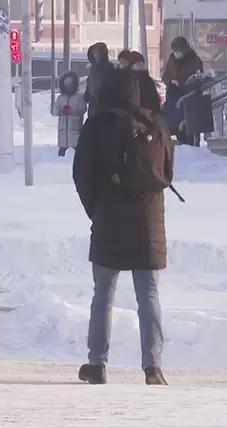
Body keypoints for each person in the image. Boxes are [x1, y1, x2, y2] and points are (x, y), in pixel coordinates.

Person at [72, 69, 173, 386]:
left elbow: (82, 176)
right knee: (149, 295)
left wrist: (96, 210)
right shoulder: (156, 125)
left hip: (109, 220)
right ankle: (153, 366)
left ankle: (97, 363)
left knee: (104, 294)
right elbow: (167, 172)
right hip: (149, 222)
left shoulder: (97, 126)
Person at [162, 36, 203, 146]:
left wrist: (183, 84)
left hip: (189, 97)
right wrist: (170, 82)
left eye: (178, 50)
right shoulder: (171, 60)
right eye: (174, 51)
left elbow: (198, 78)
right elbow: (165, 75)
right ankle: (174, 128)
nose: (176, 53)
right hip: (174, 94)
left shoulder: (194, 60)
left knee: (188, 128)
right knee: (174, 116)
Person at [52, 71, 86, 157]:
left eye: (70, 84)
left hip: (75, 130)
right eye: (66, 84)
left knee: (76, 152)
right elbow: (54, 111)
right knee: (62, 154)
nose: (68, 87)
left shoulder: (79, 97)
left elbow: (83, 109)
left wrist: (72, 111)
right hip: (63, 132)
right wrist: (61, 111)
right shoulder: (60, 98)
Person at [84, 42, 114, 117]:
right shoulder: (92, 69)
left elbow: (111, 87)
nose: (95, 55)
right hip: (93, 109)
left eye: (96, 52)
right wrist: (87, 95)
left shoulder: (110, 68)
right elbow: (90, 85)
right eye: (93, 53)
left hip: (106, 109)